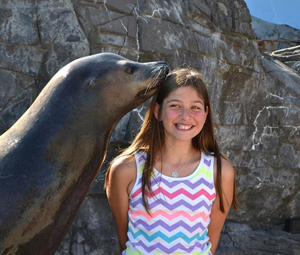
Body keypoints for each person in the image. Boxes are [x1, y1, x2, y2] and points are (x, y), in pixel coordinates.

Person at [105, 68, 238, 255]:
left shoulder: (220, 172)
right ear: (157, 111)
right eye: (175, 105)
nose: (185, 115)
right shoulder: (127, 170)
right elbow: (125, 241)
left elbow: (211, 241)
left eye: (195, 107)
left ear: (206, 114)